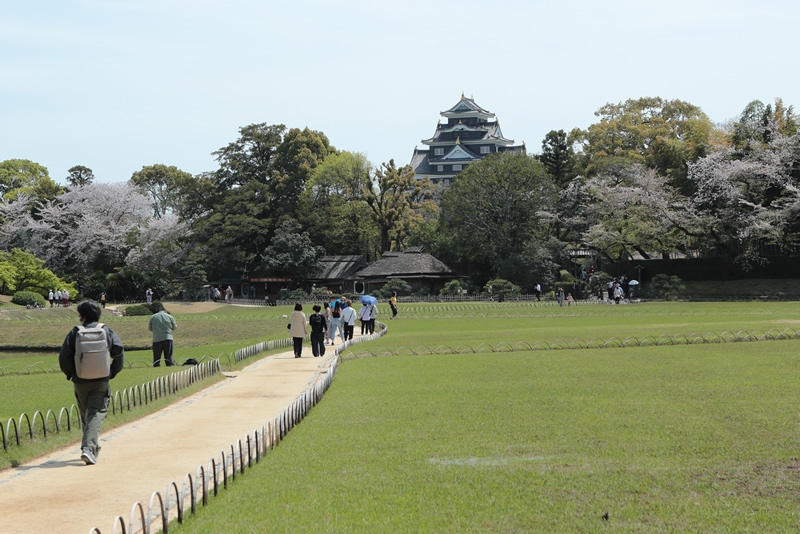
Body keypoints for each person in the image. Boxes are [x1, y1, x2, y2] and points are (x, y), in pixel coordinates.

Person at [59, 300, 124, 465]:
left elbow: (64, 357)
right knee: (96, 413)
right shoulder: (106, 330)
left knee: (86, 414)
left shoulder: (75, 332)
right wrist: (112, 372)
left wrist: (71, 374)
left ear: (82, 316)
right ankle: (89, 448)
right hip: (101, 379)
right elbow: (119, 352)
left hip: (80, 380)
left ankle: (91, 448)